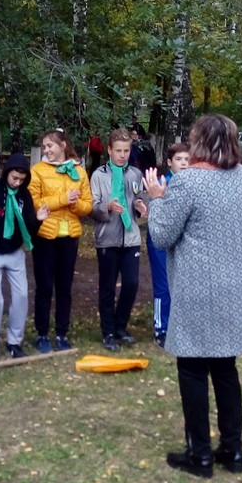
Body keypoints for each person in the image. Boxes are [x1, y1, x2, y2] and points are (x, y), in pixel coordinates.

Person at [143, 113, 242, 478]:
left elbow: (163, 234)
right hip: (239, 288)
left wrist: (156, 199)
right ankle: (233, 451)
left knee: (193, 370)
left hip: (200, 289)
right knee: (226, 369)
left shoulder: (188, 182)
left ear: (199, 141)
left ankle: (199, 456)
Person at [0, 153, 49, 362]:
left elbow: (29, 227)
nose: (17, 182)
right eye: (14, 177)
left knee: (21, 296)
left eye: (22, 179)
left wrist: (39, 220)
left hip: (14, 252)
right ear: (7, 173)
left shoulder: (24, 196)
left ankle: (14, 342)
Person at [28, 130, 93, 353]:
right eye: (44, 147)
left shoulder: (79, 171)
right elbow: (34, 203)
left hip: (69, 238)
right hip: (45, 237)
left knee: (64, 288)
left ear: (63, 145)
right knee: (44, 287)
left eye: (50, 146)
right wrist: (62, 200)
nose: (46, 150)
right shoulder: (37, 171)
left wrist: (74, 205)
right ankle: (42, 334)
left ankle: (62, 334)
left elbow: (88, 205)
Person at [89, 128, 149, 351]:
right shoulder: (98, 175)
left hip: (131, 237)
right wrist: (107, 207)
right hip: (107, 239)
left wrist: (140, 206)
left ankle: (121, 325)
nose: (122, 155)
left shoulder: (135, 173)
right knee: (107, 287)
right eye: (118, 151)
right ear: (109, 150)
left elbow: (140, 197)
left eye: (126, 150)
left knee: (132, 284)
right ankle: (108, 332)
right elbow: (92, 208)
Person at [146, 143, 190, 347]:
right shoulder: (163, 183)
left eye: (187, 159)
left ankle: (179, 326)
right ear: (169, 162)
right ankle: (161, 329)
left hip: (182, 242)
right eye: (179, 159)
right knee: (163, 285)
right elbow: (155, 212)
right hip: (160, 242)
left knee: (182, 284)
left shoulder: (192, 185)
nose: (183, 163)